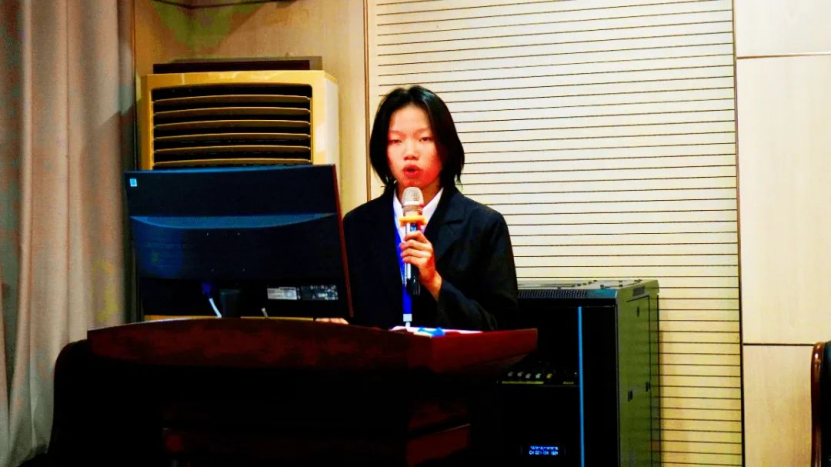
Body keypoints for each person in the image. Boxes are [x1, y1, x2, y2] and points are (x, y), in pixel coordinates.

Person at [342, 85, 518, 331]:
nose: (410, 152)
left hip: (451, 357)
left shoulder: (484, 226)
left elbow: (502, 329)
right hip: (378, 356)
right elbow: (346, 316)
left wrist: (435, 282)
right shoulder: (356, 225)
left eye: (424, 139)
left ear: (446, 147)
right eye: (395, 140)